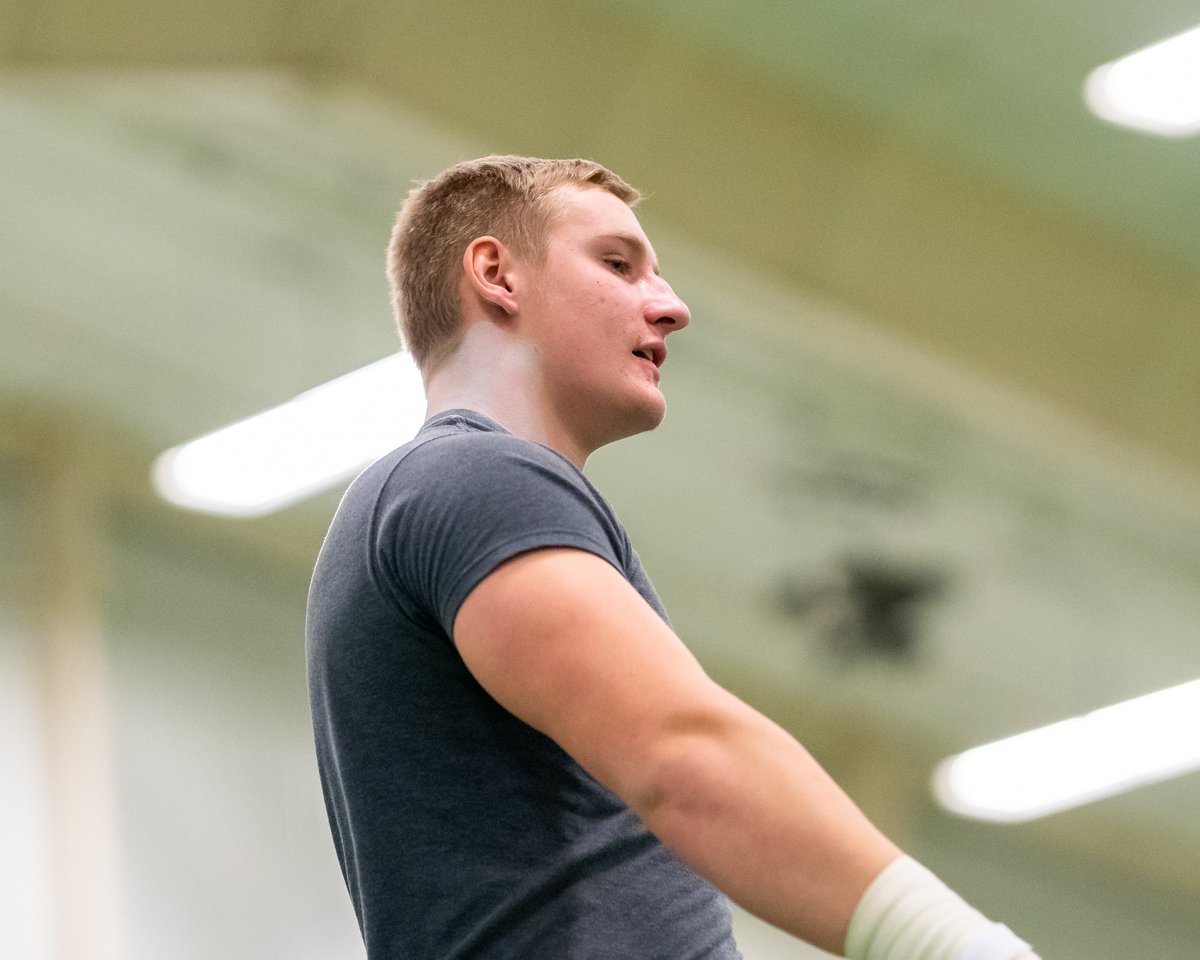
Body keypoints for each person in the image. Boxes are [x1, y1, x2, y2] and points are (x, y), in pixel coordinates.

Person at [306, 155, 1042, 960]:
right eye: (618, 264)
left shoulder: (442, 499)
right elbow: (684, 757)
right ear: (496, 275)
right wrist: (954, 945)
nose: (672, 306)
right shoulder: (470, 479)